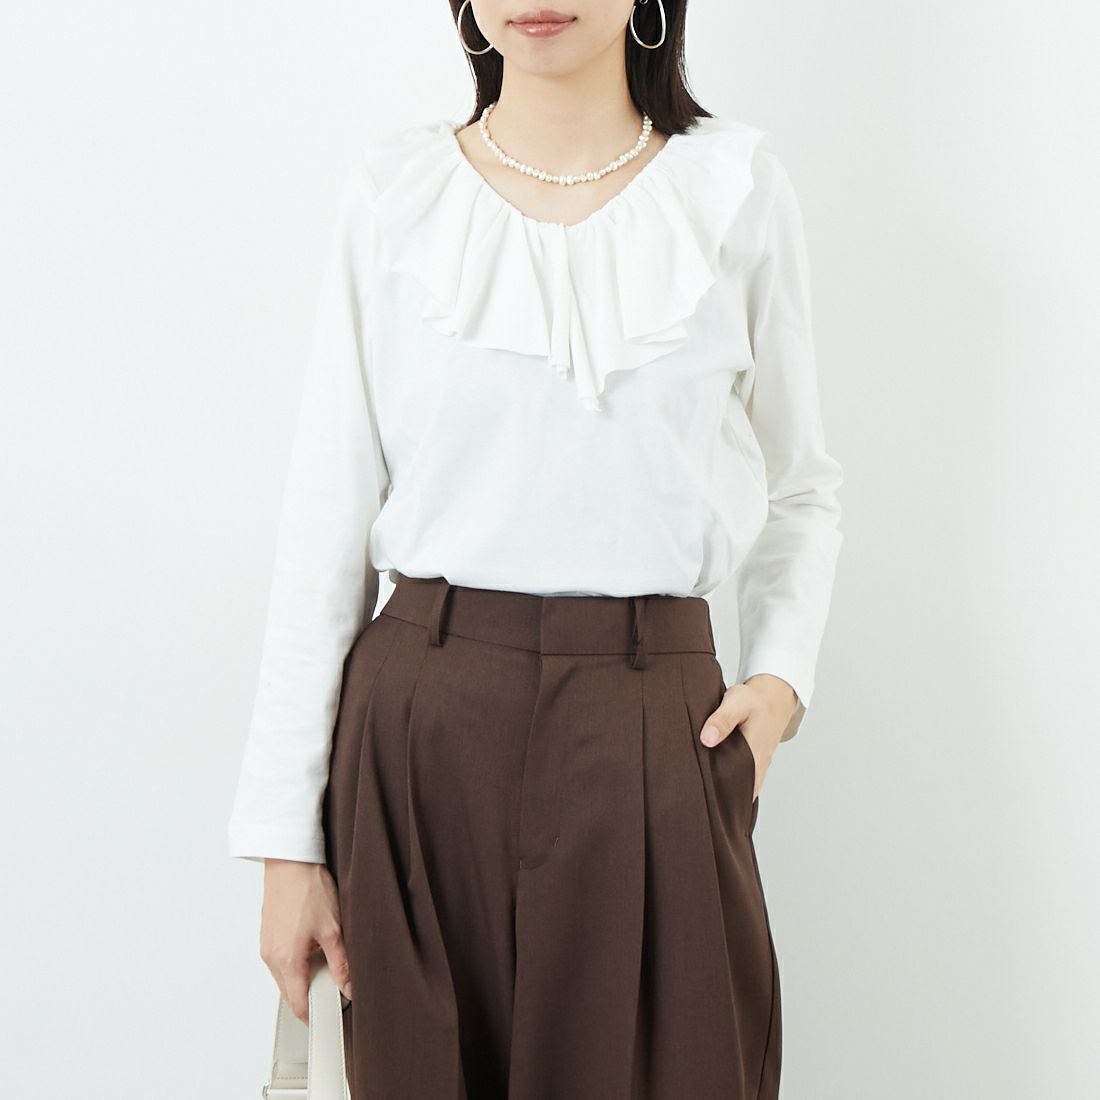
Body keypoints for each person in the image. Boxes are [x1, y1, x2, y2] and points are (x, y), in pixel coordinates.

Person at [227, 1, 843, 1096]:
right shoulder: (394, 195)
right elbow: (324, 525)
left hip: (654, 731)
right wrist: (288, 843)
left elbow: (799, 486)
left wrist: (780, 682)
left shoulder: (734, 190)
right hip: (419, 740)